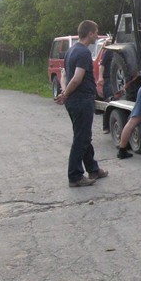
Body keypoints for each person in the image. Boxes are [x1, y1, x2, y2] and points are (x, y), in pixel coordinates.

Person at [55, 20, 109, 187]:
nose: (97, 35)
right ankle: (75, 175)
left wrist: (64, 93)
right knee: (81, 138)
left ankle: (93, 169)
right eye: (96, 32)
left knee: (84, 135)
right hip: (81, 100)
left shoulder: (71, 51)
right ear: (90, 33)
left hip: (73, 100)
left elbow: (64, 75)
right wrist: (66, 93)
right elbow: (77, 78)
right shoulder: (84, 53)